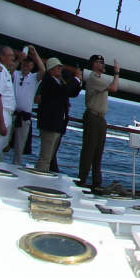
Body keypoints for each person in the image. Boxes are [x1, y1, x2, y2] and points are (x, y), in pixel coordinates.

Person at [75, 54, 119, 188]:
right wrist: (116, 73)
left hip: (100, 118)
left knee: (98, 151)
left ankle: (96, 182)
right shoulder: (94, 78)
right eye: (100, 62)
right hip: (93, 117)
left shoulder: (100, 79)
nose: (102, 65)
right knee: (89, 150)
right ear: (94, 64)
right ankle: (83, 179)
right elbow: (114, 88)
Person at [35, 57, 81, 172]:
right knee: (46, 156)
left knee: (49, 156)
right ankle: (40, 175)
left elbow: (70, 92)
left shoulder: (57, 81)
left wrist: (77, 81)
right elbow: (64, 91)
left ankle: (42, 175)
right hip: (50, 124)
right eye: (58, 67)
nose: (60, 69)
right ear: (51, 69)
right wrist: (75, 78)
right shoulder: (49, 81)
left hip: (56, 124)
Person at [7, 45, 42, 165]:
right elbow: (9, 71)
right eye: (25, 63)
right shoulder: (16, 74)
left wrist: (35, 54)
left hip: (24, 117)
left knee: (19, 149)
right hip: (12, 114)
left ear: (32, 66)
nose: (26, 65)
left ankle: (15, 167)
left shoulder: (33, 78)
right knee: (4, 144)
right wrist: (19, 59)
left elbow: (43, 71)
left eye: (29, 63)